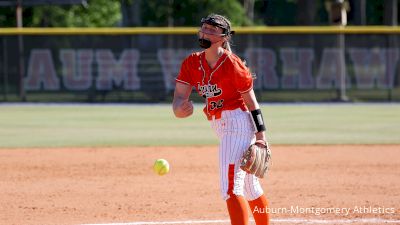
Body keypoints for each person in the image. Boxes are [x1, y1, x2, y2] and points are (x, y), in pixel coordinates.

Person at [172, 14, 270, 225]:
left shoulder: (233, 64)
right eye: (204, 28)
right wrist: (180, 108)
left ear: (224, 37)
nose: (205, 32)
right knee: (249, 188)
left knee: (230, 188)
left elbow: (252, 104)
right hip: (222, 126)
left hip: (237, 124)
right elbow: (178, 100)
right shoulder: (191, 62)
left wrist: (261, 137)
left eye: (212, 30)